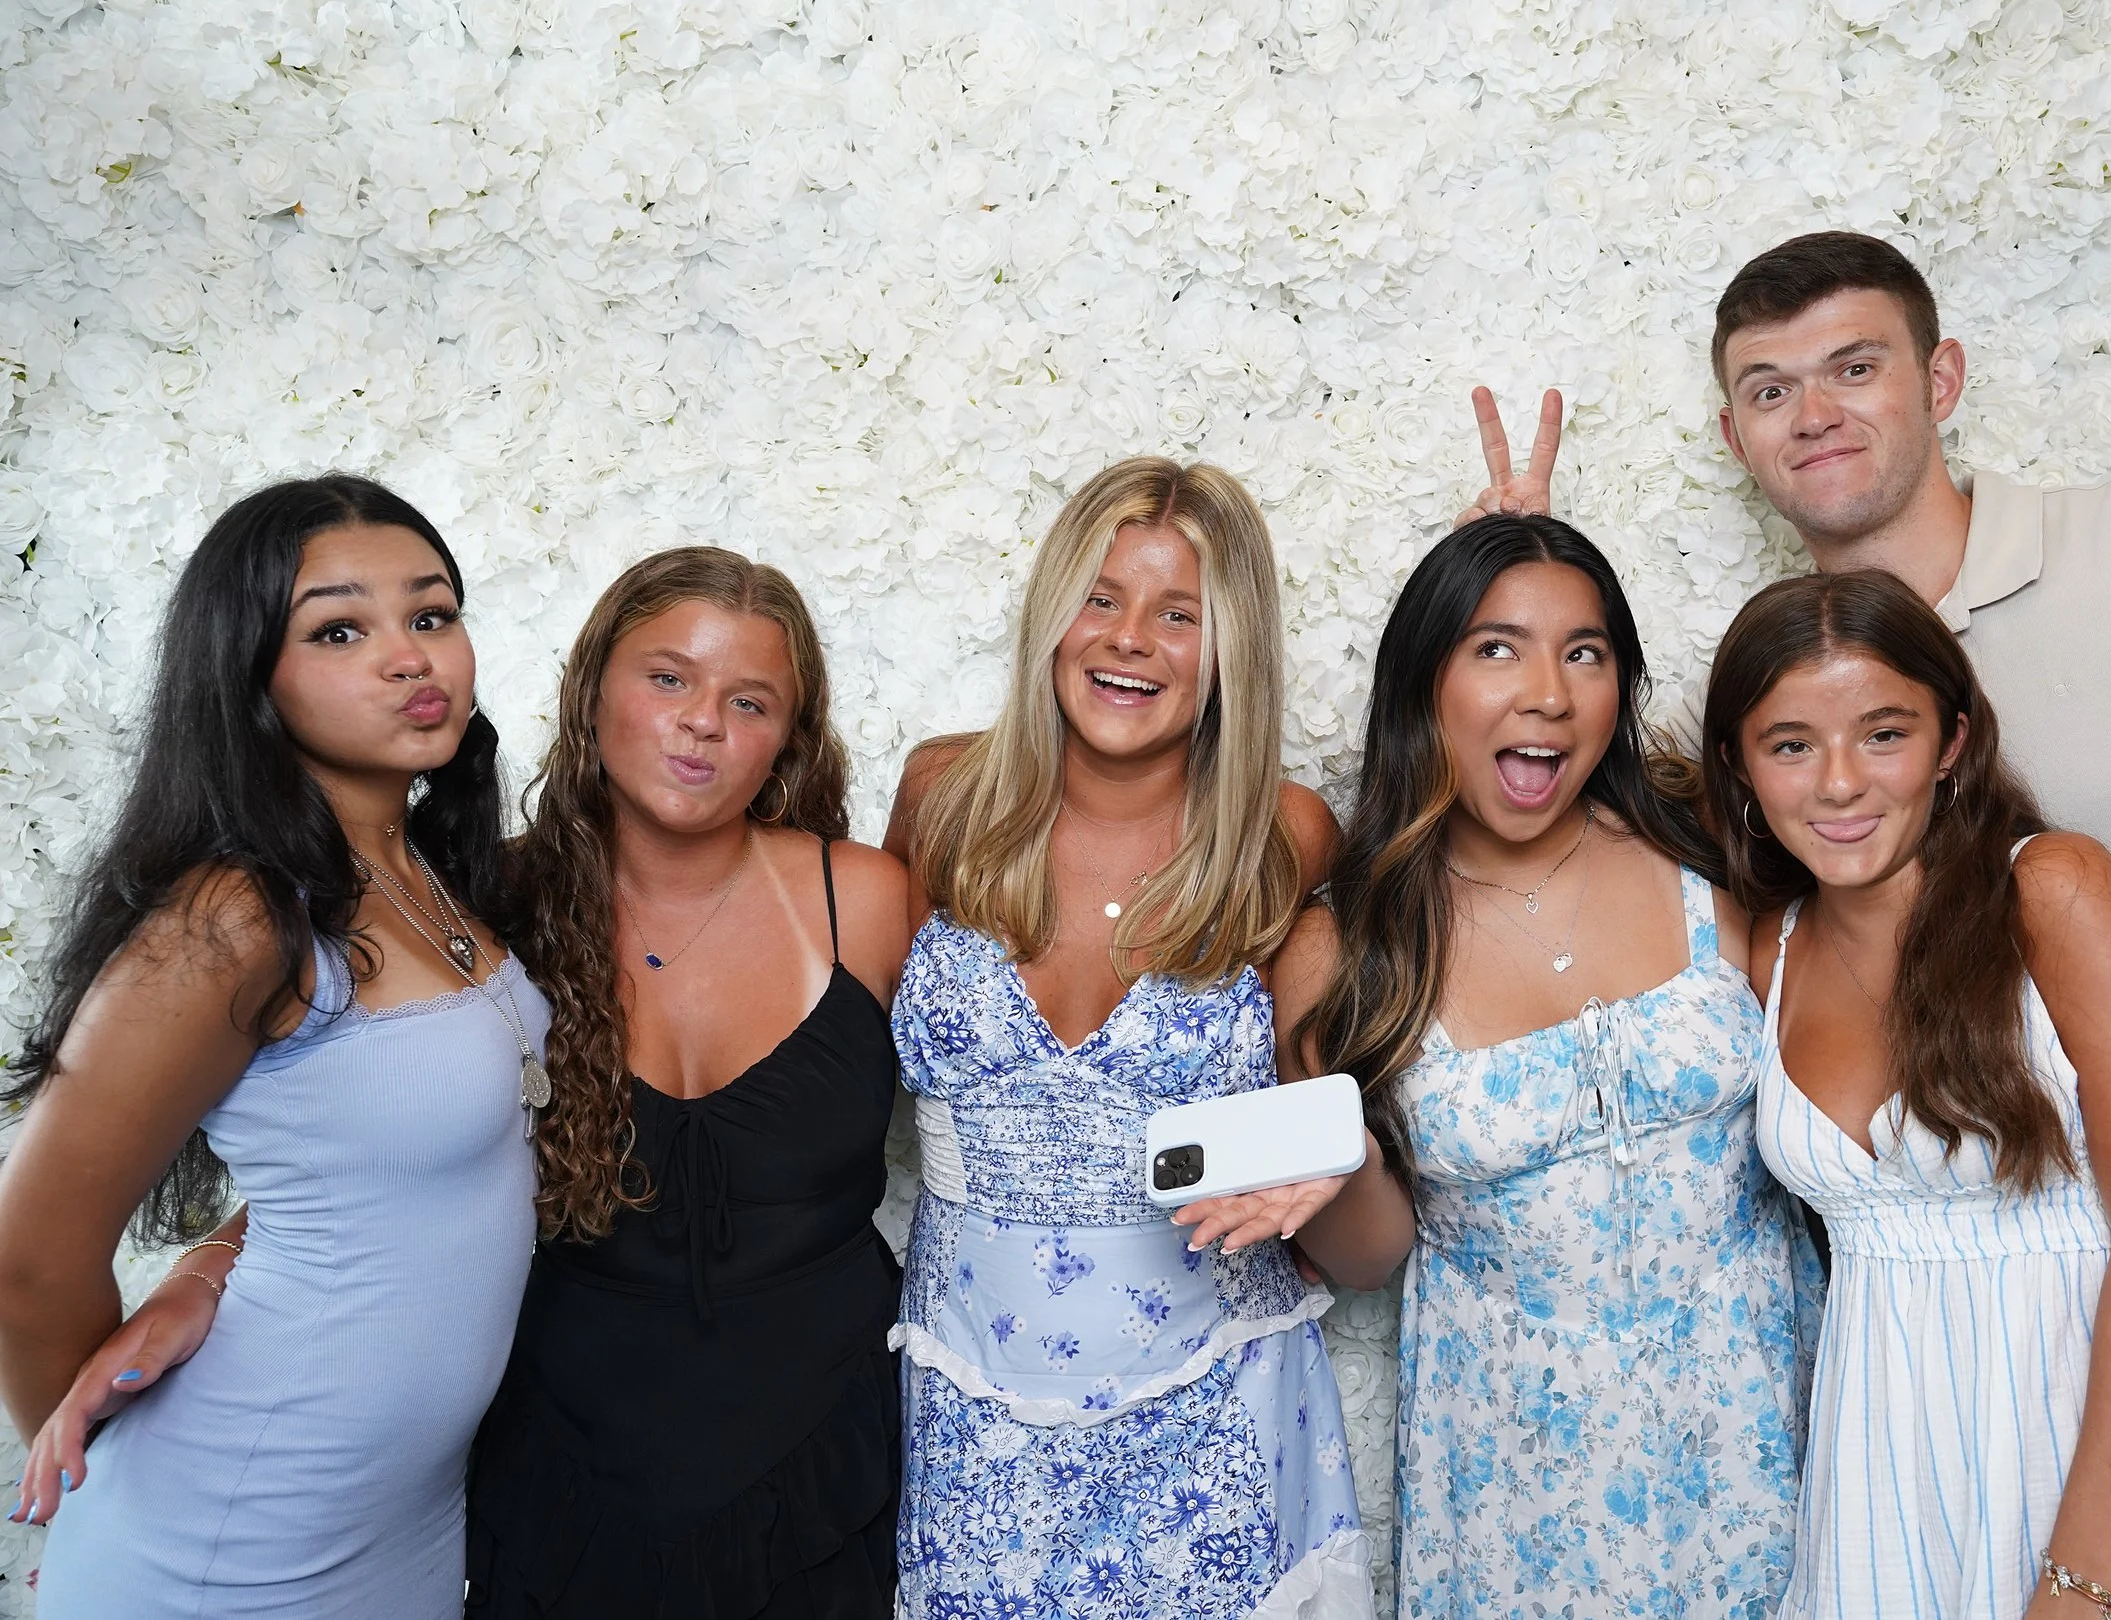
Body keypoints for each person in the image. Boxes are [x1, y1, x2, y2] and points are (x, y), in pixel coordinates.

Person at [1473, 229, 2111, 1614]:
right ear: (1732, 433)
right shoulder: (1802, 701)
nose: (1816, 408)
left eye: (1855, 364)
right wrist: (1509, 580)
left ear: (1942, 375)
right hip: (1985, 1399)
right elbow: (1561, 812)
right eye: (1771, 387)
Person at [1705, 567, 2111, 1617]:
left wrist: (2083, 1579)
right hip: (1883, 1476)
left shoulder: (2054, 889)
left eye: (1884, 733)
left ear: (1951, 742)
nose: (1839, 783)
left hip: (2101, 1463)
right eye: (1791, 743)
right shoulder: (1769, 949)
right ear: (1741, 766)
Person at [0, 476, 547, 1617]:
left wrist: (204, 1267)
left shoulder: (431, 872)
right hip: (237, 1528)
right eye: (339, 628)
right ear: (249, 677)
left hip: (400, 1518)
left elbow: (359, 1160)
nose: (410, 657)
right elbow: (27, 1254)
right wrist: (95, 1465)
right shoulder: (238, 916)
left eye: (431, 614)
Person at [1287, 514, 1820, 1619]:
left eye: (1583, 651)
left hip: (1766, 1419)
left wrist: (2067, 1109)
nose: (1547, 692)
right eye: (1495, 647)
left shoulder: (1705, 850)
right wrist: (1326, 1151)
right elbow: (1367, 1259)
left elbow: (1879, 1011)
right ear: (1420, 681)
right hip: (1515, 1477)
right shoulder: (1349, 943)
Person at [880, 457, 1371, 1619]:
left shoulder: (1282, 833)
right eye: (1100, 596)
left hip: (1216, 1402)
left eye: (1179, 612)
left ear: (1229, 647)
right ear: (1052, 614)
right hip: (973, 1402)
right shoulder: (941, 795)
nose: (1130, 638)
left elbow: (1386, 1006)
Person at [461, 548, 912, 1616]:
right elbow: (372, 1140)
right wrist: (209, 1266)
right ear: (593, 689)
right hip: (564, 1454)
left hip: (827, 1455)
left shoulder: (868, 898)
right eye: (668, 677)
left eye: (747, 700)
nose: (702, 720)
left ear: (786, 743)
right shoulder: (492, 905)